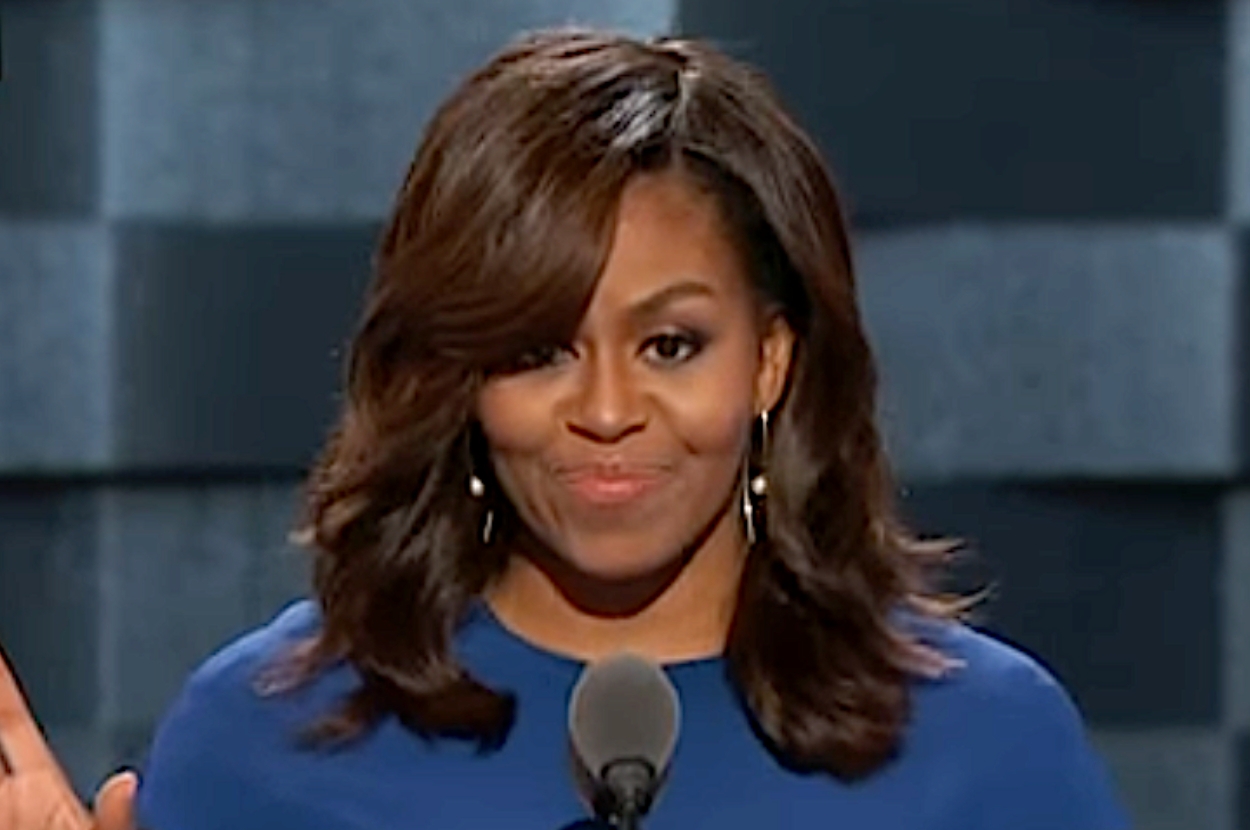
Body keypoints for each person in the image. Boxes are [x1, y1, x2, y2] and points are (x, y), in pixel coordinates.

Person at [0, 27, 1128, 830]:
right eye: (538, 350)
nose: (605, 411)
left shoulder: (986, 751)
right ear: (460, 376)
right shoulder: (266, 742)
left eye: (670, 344)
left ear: (770, 360)